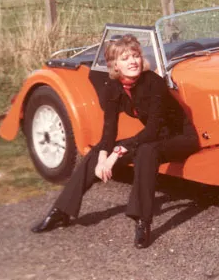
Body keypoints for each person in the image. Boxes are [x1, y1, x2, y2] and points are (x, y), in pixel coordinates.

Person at [31, 35, 199, 248]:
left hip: (180, 138)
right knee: (96, 153)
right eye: (125, 58)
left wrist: (117, 153)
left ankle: (142, 221)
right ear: (115, 65)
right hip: (153, 138)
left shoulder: (154, 83)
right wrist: (103, 157)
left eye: (135, 56)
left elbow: (153, 130)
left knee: (146, 151)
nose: (133, 62)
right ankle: (61, 211)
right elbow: (109, 128)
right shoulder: (113, 86)